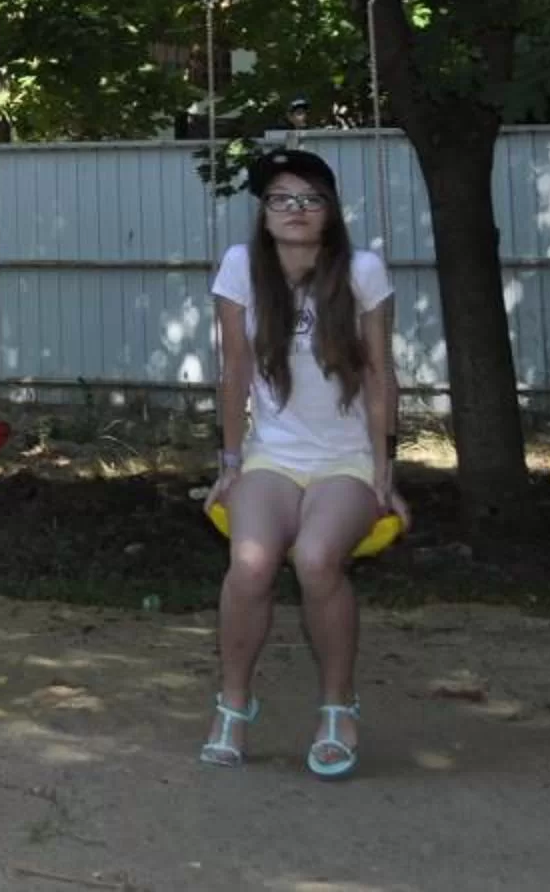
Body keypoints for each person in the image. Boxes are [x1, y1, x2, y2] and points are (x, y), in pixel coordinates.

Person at [201, 145, 403, 778]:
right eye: (281, 198)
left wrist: (385, 469)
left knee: (316, 560)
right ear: (263, 213)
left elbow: (380, 374)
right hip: (272, 455)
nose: (295, 209)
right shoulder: (240, 267)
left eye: (310, 198)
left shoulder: (363, 271)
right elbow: (234, 369)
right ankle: (234, 704)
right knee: (251, 563)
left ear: (331, 211)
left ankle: (338, 708)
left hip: (346, 459)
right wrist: (230, 461)